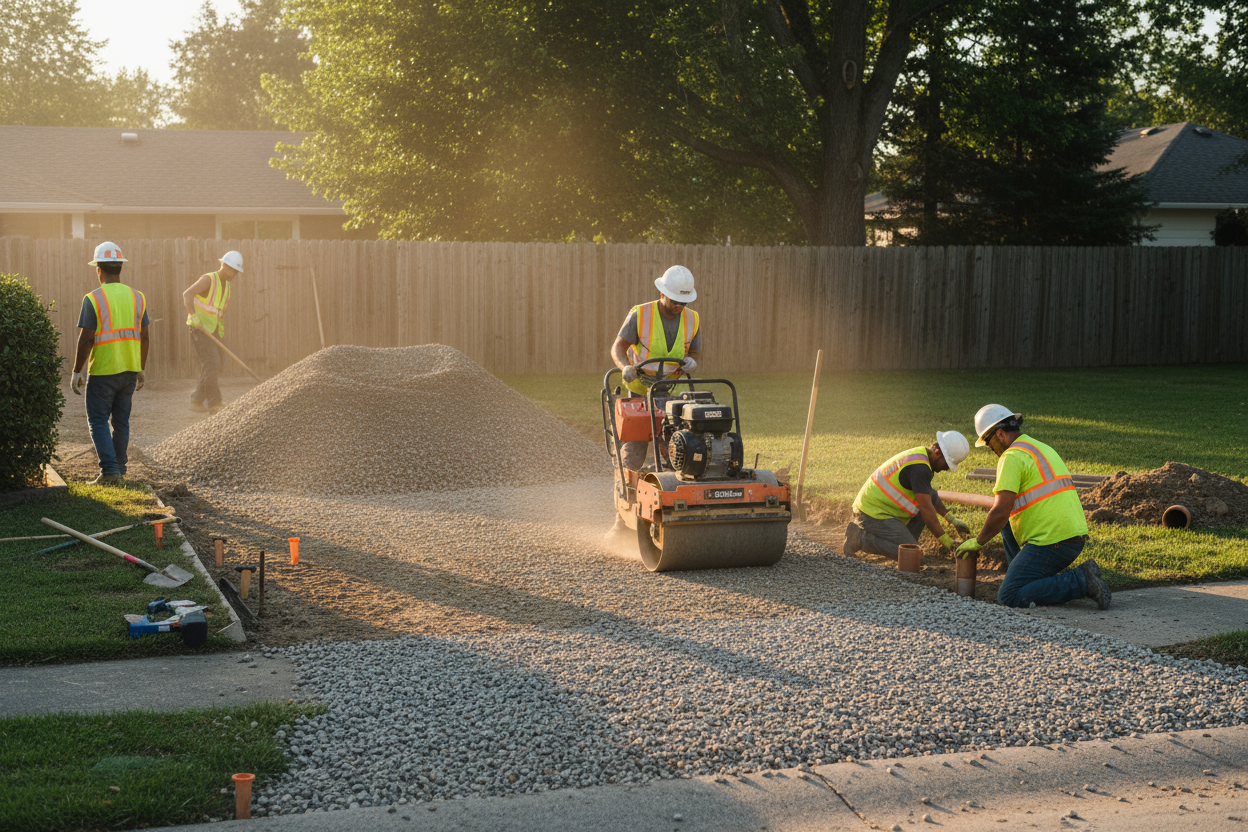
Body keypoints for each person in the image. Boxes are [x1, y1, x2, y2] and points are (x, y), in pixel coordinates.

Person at [955, 404, 1111, 609]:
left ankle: (1081, 581)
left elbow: (1001, 511)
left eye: (989, 443)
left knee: (1009, 596)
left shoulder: (1011, 457)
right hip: (1070, 535)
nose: (992, 450)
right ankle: (1021, 574)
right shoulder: (1039, 447)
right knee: (1006, 527)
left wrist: (978, 541)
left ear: (1000, 434)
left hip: (1053, 542)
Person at [70, 242, 149, 485]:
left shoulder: (93, 298)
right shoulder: (137, 297)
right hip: (129, 370)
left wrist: (76, 371)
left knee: (97, 420)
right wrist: (141, 368)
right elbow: (144, 336)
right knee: (121, 422)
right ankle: (119, 471)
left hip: (103, 371)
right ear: (120, 268)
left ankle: (110, 473)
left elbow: (86, 338)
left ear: (98, 270)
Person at [609, 265, 701, 472]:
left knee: (679, 439)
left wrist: (691, 362)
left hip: (671, 389)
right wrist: (625, 367)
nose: (679, 306)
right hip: (640, 388)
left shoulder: (692, 318)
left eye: (683, 302)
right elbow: (618, 347)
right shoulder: (640, 314)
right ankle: (627, 484)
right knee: (636, 442)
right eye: (675, 301)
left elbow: (694, 352)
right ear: (662, 294)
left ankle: (674, 479)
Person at [844, 432, 972, 560]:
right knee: (913, 556)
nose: (946, 469)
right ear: (938, 452)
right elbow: (927, 510)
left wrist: (951, 519)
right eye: (947, 463)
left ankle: (906, 543)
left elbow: (929, 494)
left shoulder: (922, 456)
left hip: (880, 508)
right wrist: (946, 540)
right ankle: (860, 538)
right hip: (871, 513)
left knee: (912, 547)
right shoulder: (920, 468)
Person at [183, 250, 243, 414]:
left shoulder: (227, 285)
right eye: (233, 270)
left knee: (213, 365)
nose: (234, 275)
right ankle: (215, 403)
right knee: (212, 364)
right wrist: (192, 315)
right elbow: (187, 294)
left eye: (236, 272)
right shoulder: (209, 279)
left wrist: (218, 331)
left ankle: (196, 400)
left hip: (212, 330)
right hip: (199, 329)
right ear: (224, 265)